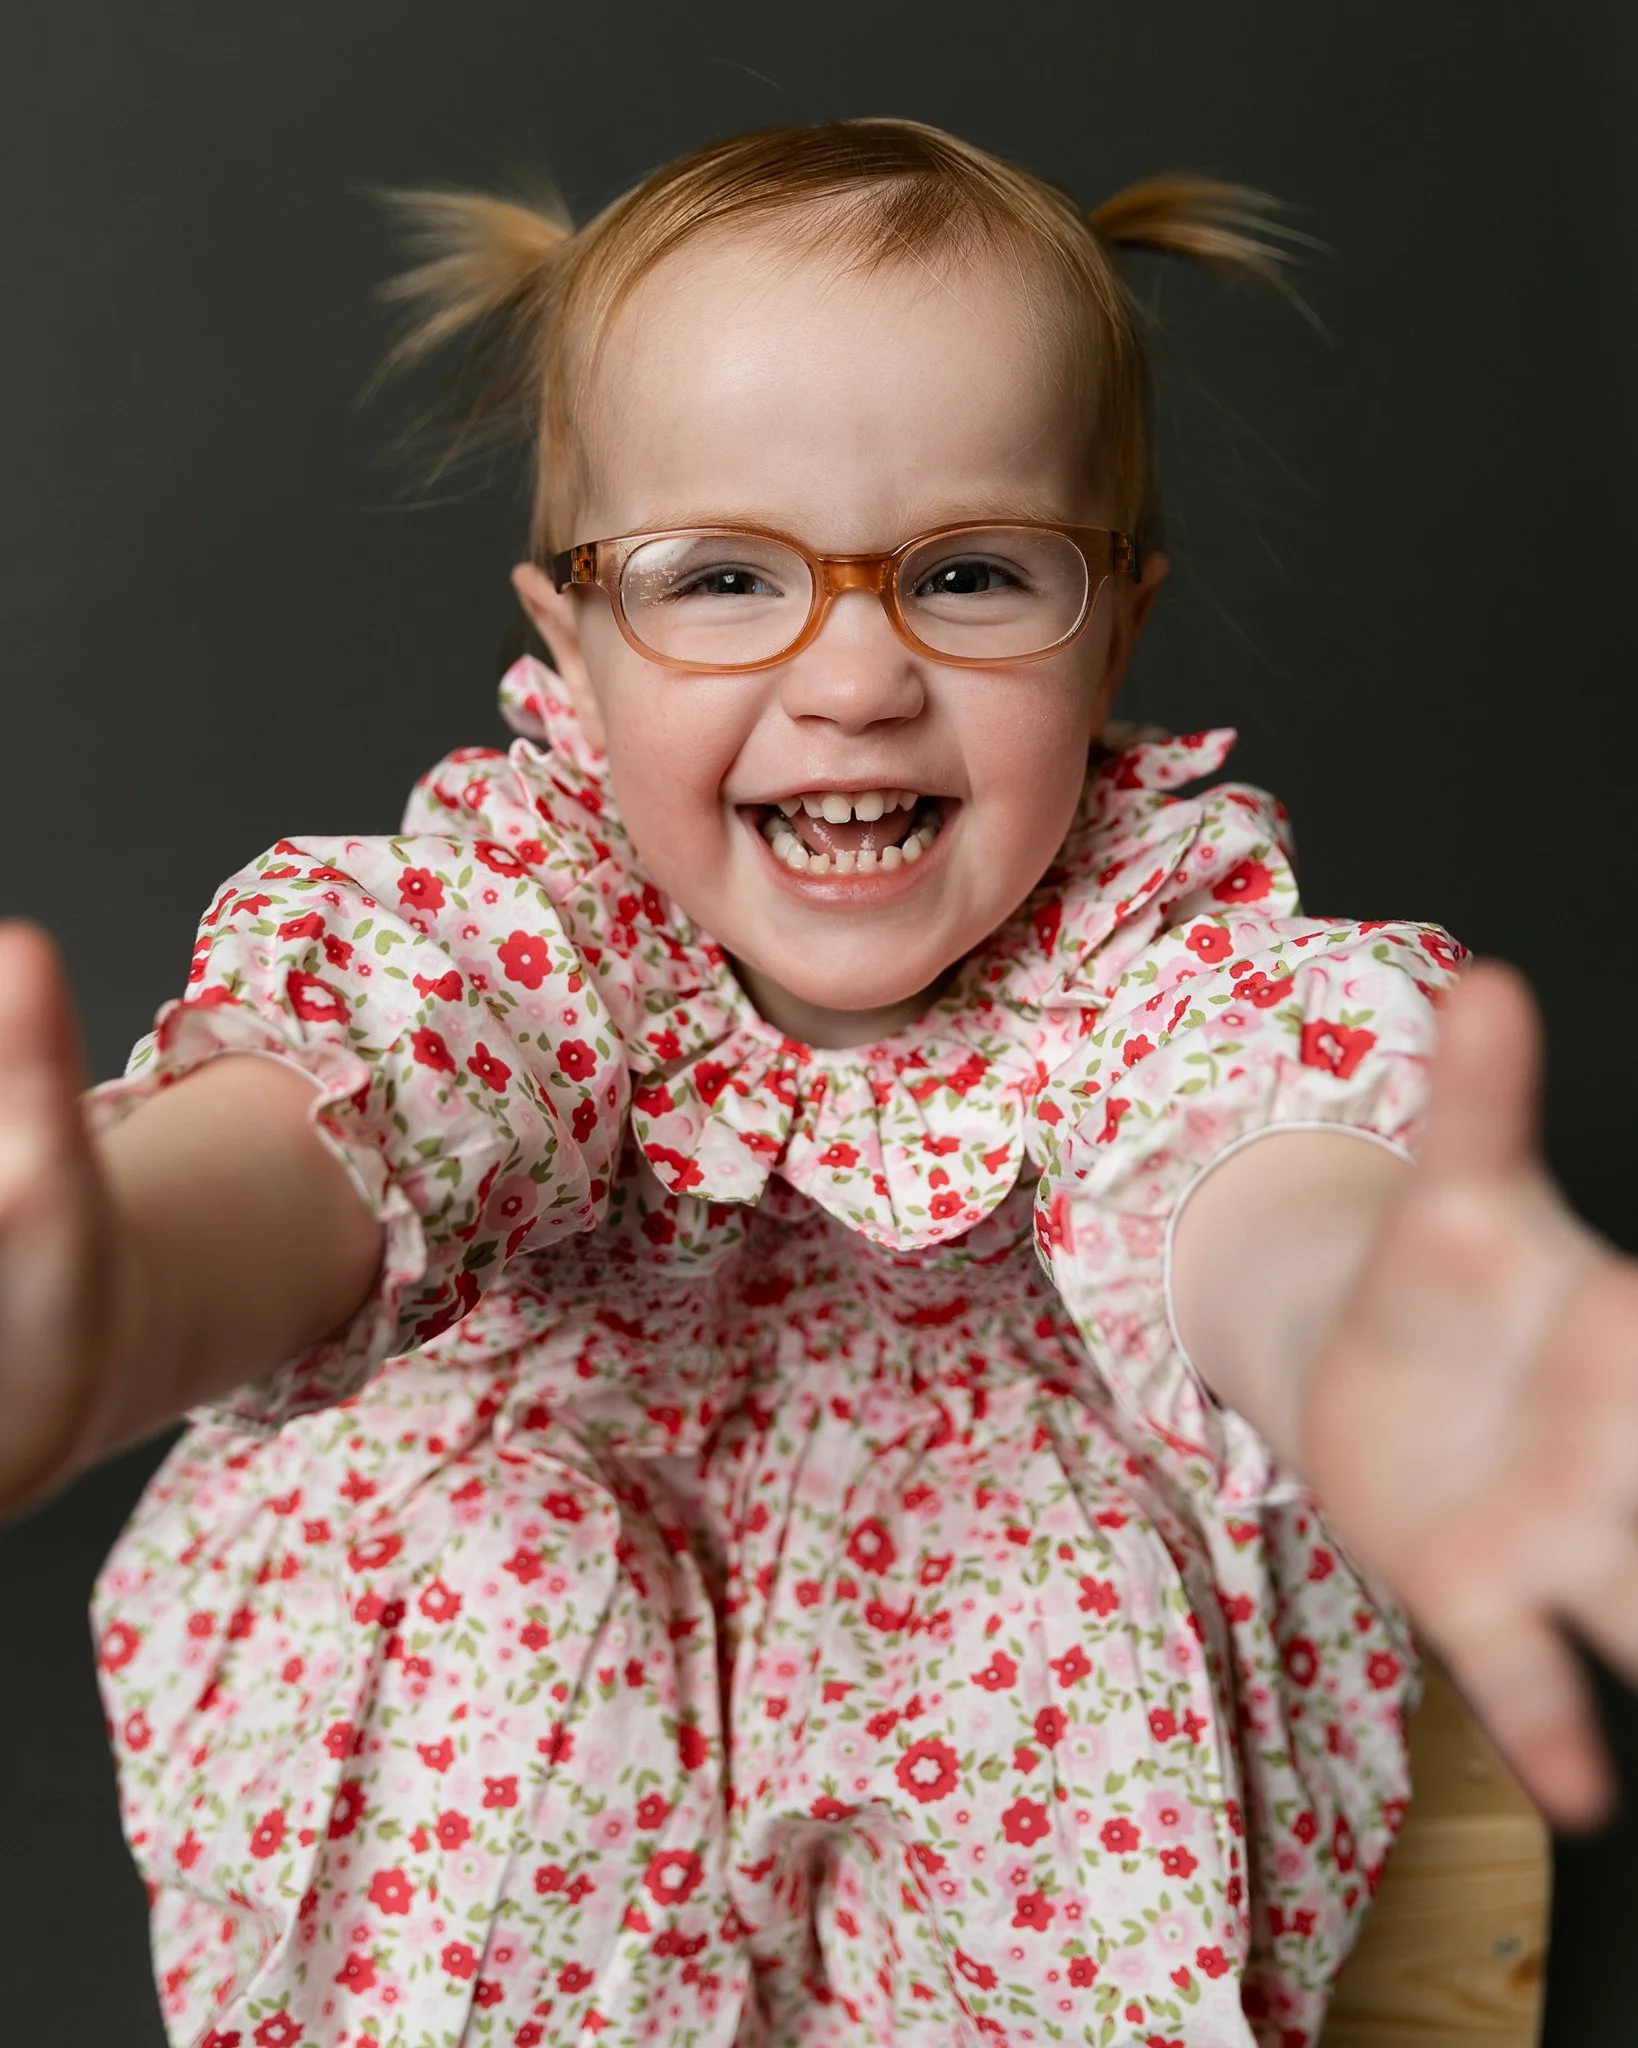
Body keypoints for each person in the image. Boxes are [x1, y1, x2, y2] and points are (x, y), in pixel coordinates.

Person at [3, 117, 1634, 2048]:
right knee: (497, 1586)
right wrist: (125, 1288)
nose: (852, 674)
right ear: (576, 640)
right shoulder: (539, 913)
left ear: (1112, 617)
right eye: (715, 581)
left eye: (964, 574)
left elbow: (1243, 1136)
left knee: (1049, 1643)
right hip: (547, 1727)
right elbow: (369, 1102)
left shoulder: (1145, 936)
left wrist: (1357, 1317)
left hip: (989, 1704)